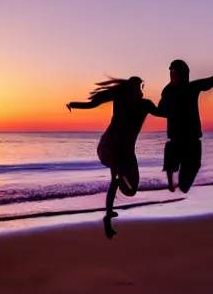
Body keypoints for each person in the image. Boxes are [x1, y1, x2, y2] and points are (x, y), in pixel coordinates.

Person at [66, 76, 164, 239]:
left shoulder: (145, 105)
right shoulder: (120, 100)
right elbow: (92, 104)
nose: (139, 90)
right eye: (136, 87)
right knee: (116, 174)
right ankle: (108, 216)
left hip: (127, 151)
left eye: (141, 86)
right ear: (129, 89)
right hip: (109, 146)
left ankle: (118, 181)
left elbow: (162, 113)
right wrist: (73, 105)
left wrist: (174, 101)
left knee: (132, 190)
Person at [158, 52, 213, 193]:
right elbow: (161, 111)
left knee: (185, 185)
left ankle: (179, 183)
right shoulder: (169, 91)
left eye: (177, 72)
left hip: (192, 141)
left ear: (185, 73)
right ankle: (170, 181)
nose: (174, 74)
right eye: (172, 72)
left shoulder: (192, 87)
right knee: (171, 156)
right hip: (176, 140)